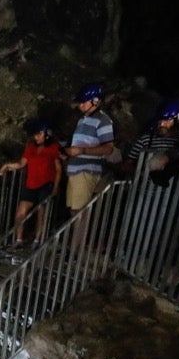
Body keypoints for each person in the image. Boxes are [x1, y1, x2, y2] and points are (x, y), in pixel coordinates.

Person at [63, 82, 115, 245]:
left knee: (79, 212)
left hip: (86, 171)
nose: (80, 104)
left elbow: (108, 148)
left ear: (95, 101)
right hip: (75, 170)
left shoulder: (103, 120)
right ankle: (74, 248)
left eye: (83, 101)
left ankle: (74, 250)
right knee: (74, 211)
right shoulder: (82, 121)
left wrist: (82, 152)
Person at [0, 120, 62, 247]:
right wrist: (7, 165)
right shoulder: (30, 147)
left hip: (46, 183)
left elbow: (58, 169)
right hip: (31, 184)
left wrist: (55, 186)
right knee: (21, 212)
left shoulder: (54, 147)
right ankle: (18, 240)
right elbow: (22, 163)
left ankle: (38, 240)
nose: (36, 137)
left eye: (39, 134)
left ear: (47, 134)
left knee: (41, 211)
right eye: (35, 134)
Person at [119, 100, 179, 176]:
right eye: (160, 120)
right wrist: (142, 174)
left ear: (177, 118)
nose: (162, 124)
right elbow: (127, 165)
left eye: (167, 120)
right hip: (145, 185)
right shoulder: (145, 139)